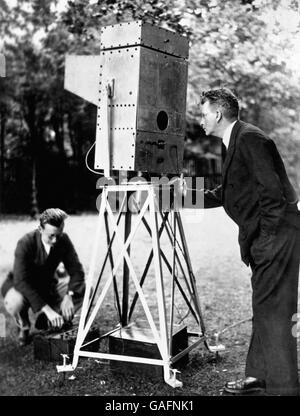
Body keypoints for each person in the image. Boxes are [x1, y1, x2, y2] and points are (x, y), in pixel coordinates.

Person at [200, 88, 300, 396]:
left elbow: (273, 194)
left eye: (203, 113)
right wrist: (174, 194)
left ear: (218, 113)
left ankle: (283, 387)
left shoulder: (250, 139)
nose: (200, 119)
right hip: (272, 238)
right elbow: (227, 192)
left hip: (277, 239)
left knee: (274, 311)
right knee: (266, 306)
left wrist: (267, 241)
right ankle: (258, 377)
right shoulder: (234, 140)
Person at [1, 208, 85, 346]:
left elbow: (77, 271)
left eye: (59, 234)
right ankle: (24, 326)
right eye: (51, 235)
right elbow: (21, 281)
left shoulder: (63, 240)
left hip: (47, 286)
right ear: (40, 229)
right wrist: (46, 309)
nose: (55, 240)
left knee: (86, 289)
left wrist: (69, 296)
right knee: (15, 302)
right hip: (20, 286)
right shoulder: (25, 242)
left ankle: (47, 320)